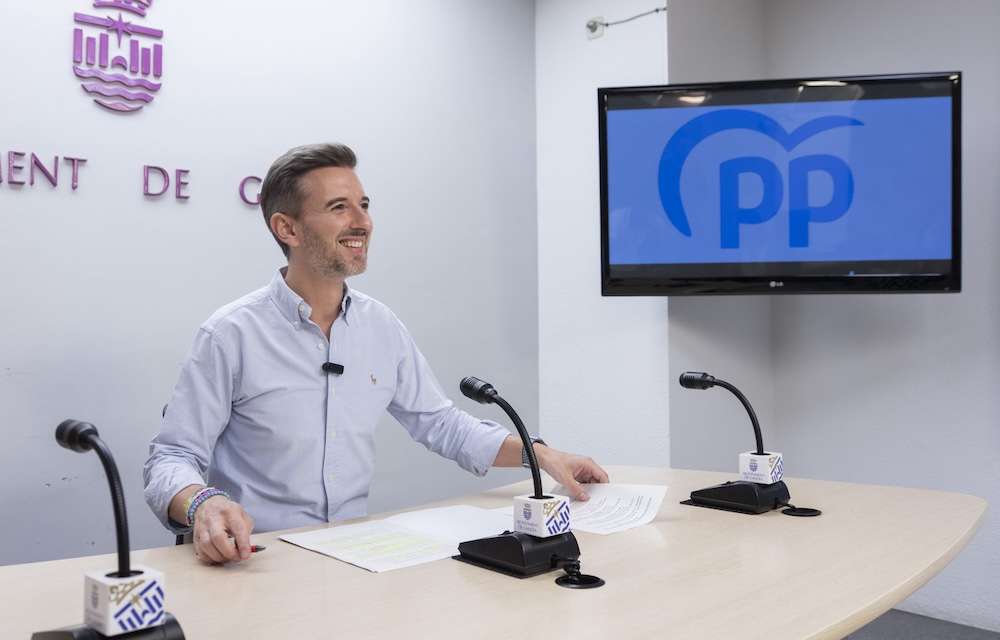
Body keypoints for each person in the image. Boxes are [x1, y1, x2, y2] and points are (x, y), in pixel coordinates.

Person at [143, 142, 609, 564]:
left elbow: (442, 424)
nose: (362, 222)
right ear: (287, 228)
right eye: (339, 207)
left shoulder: (380, 326)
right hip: (259, 559)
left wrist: (540, 455)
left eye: (363, 205)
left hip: (350, 556)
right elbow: (170, 458)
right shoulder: (230, 334)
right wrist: (203, 503)